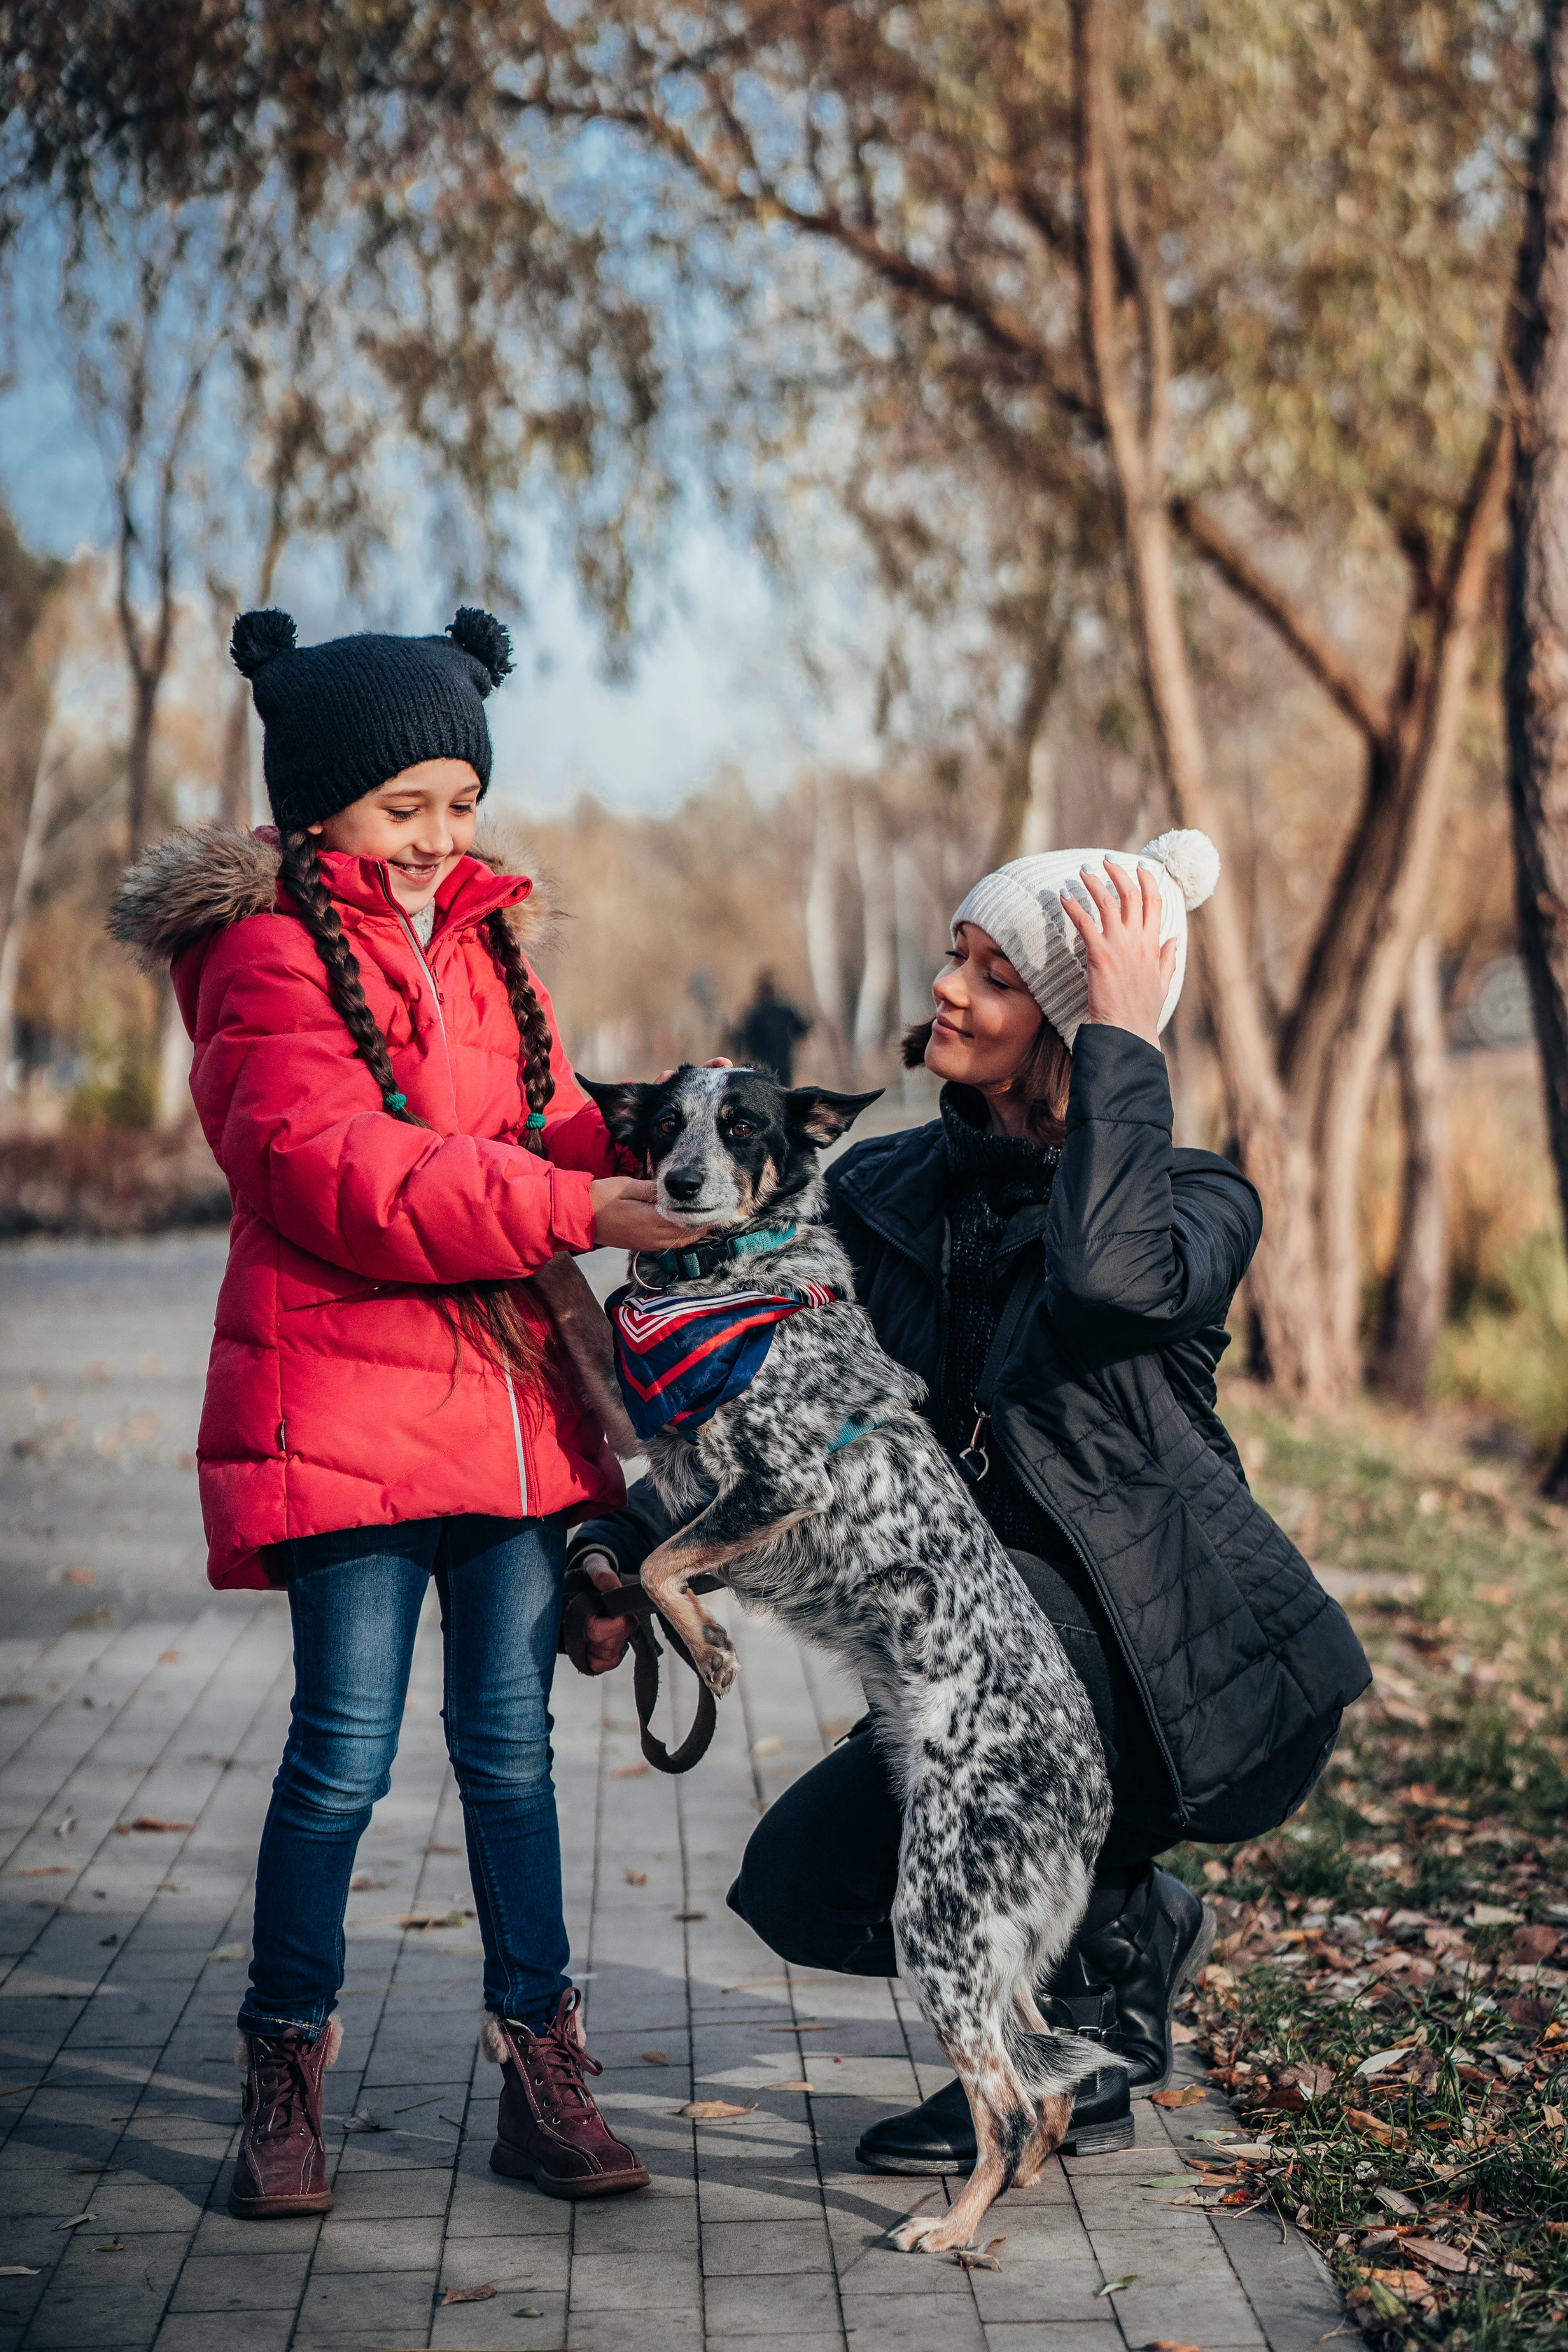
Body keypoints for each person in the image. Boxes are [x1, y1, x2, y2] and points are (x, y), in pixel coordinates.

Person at [564, 830, 1370, 2171]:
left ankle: (1089, 2014)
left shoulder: (1193, 1198)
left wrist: (1123, 1044)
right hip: (986, 1655)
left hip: (1172, 1674)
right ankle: (1131, 1916)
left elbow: (1109, 1283)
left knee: (1029, 1639)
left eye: (995, 975)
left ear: (1065, 1021)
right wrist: (621, 1536)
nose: (948, 988)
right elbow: (791, 1406)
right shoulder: (885, 1196)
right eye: (955, 953)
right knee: (804, 1889)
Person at [109, 606, 704, 2219]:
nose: (443, 839)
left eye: (461, 802)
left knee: (511, 1763)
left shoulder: (490, 942)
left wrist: (664, 1153)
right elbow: (340, 1174)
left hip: (510, 1432)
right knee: (341, 1763)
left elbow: (547, 1130)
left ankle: (541, 2071)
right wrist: (577, 1213)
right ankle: (284, 2066)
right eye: (406, 811)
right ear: (318, 808)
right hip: (348, 1429)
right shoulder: (258, 954)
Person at [734, 969, 812, 1084]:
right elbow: (746, 1038)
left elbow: (800, 1028)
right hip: (771, 1063)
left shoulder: (772, 1011)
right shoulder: (761, 1012)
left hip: (774, 1063)